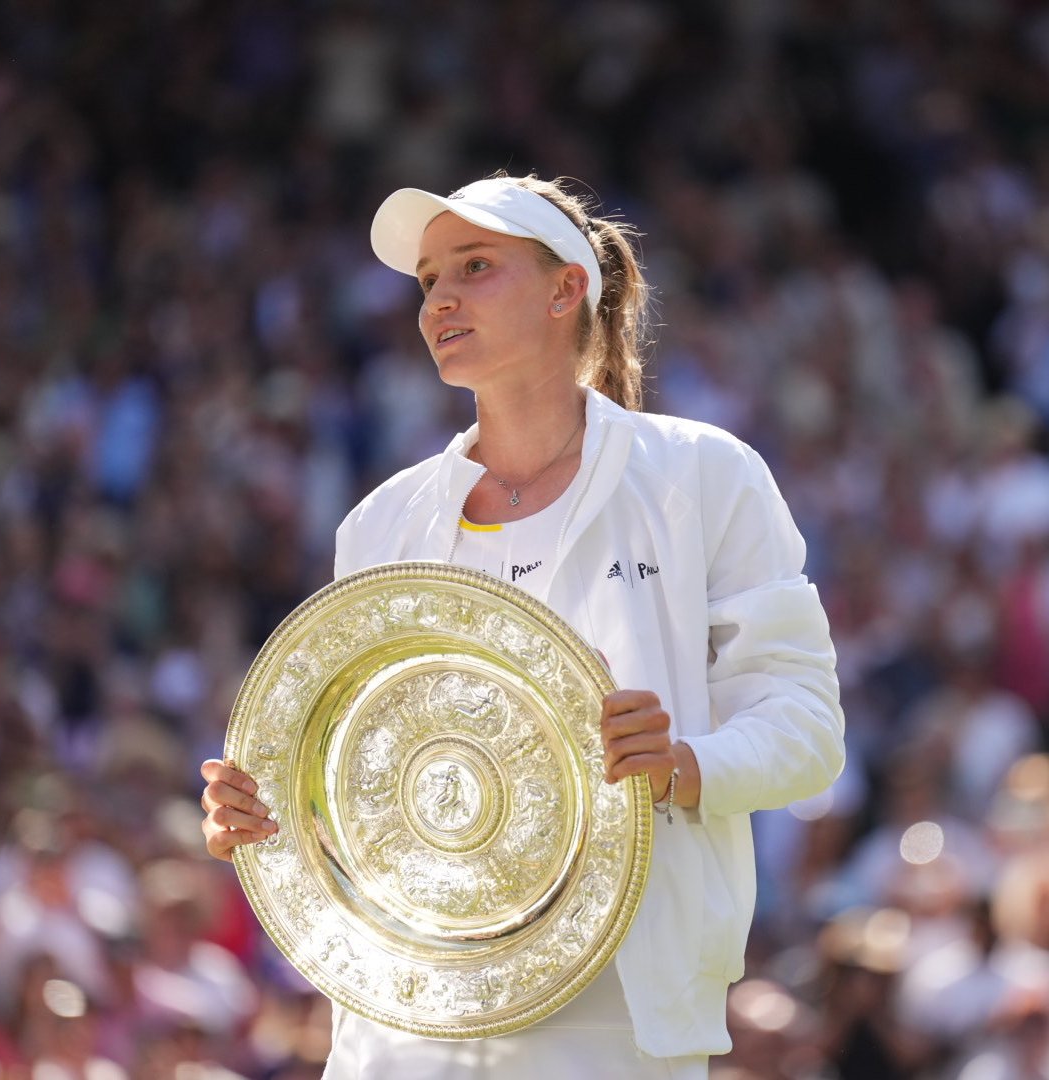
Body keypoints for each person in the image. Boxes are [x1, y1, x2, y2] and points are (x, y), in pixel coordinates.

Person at [200, 173, 846, 1077]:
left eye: (475, 267)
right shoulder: (378, 524)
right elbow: (355, 782)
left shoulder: (705, 476)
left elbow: (809, 729)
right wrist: (263, 811)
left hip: (618, 1022)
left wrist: (685, 766)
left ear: (565, 287)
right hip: (404, 1029)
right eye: (428, 281)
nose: (442, 300)